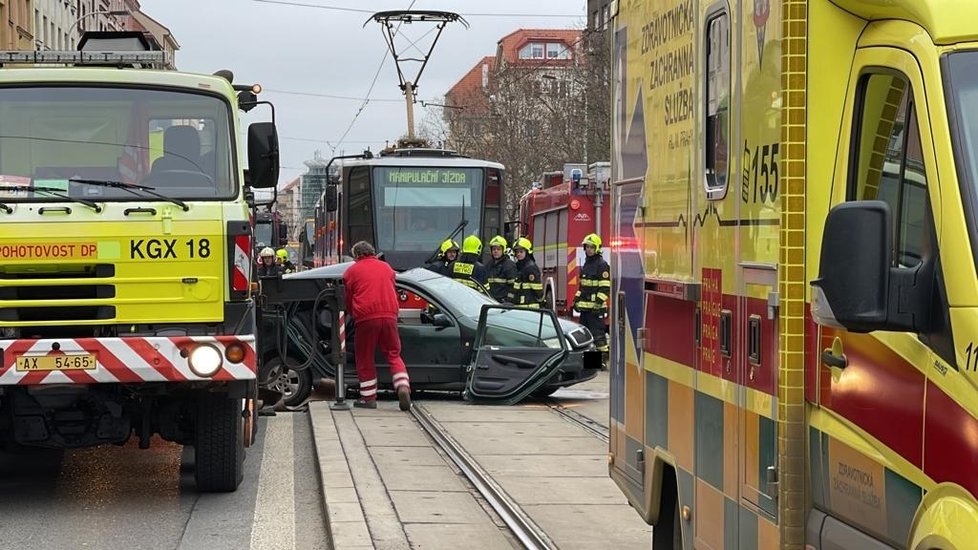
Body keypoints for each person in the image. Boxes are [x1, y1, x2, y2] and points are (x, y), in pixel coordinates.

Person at [342, 241, 412, 410]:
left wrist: (352, 314)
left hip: (366, 318)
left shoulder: (351, 272)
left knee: (365, 356)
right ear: (372, 252)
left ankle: (368, 398)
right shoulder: (387, 268)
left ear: (356, 255)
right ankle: (403, 386)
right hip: (389, 316)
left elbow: (348, 299)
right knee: (393, 354)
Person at [573, 233, 611, 367]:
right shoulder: (587, 264)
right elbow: (582, 286)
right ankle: (591, 363)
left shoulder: (602, 265)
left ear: (597, 248)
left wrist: (598, 303)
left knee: (598, 336)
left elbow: (605, 287)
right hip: (585, 308)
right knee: (586, 335)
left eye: (591, 247)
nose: (588, 250)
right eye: (587, 247)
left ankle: (601, 362)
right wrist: (576, 300)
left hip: (596, 309)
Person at [509, 237, 544, 308]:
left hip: (529, 307)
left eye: (521, 252)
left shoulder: (530, 268)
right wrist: (509, 300)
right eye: (517, 252)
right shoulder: (518, 266)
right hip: (519, 306)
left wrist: (541, 303)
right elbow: (514, 288)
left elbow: (537, 289)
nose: (518, 254)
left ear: (528, 252)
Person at [486, 235, 517, 303]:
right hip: (490, 300)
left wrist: (508, 301)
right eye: (494, 249)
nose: (496, 251)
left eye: (498, 249)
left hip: (504, 302)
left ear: (503, 250)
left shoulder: (510, 266)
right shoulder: (488, 265)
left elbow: (513, 287)